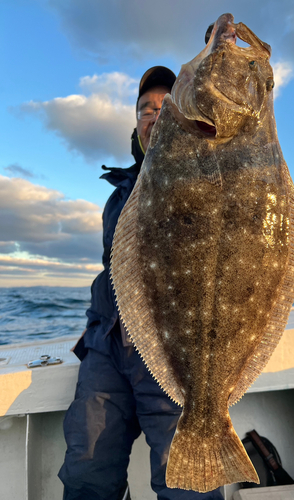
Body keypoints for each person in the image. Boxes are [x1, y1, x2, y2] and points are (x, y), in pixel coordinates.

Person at [58, 66, 224, 500]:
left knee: (188, 483)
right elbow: (112, 272)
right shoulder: (118, 196)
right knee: (85, 473)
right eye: (144, 110)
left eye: (165, 106)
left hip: (173, 352)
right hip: (108, 349)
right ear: (136, 125)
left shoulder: (208, 174)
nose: (154, 115)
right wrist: (98, 324)